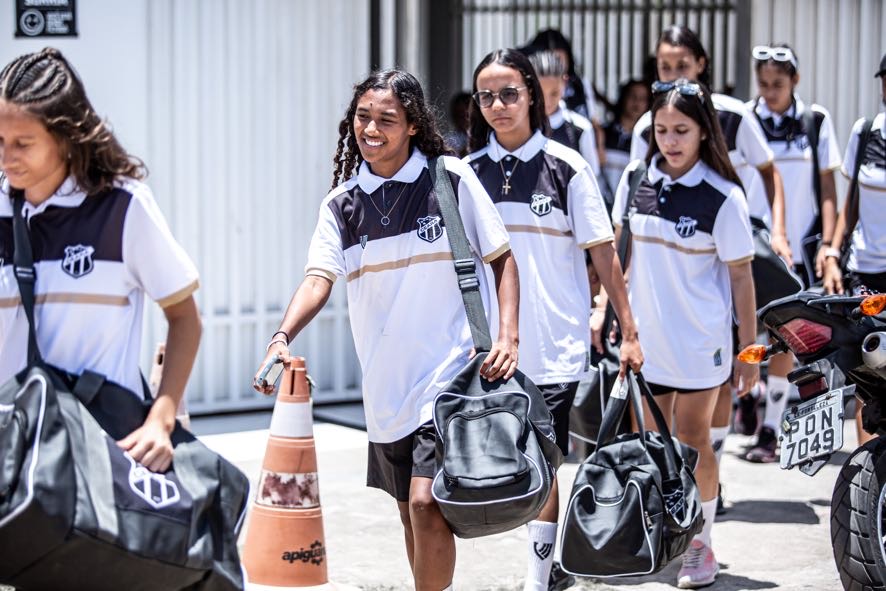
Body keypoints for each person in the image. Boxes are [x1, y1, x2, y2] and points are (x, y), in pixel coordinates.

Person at [253, 69, 519, 591]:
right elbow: (317, 279)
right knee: (408, 513)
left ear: (413, 126)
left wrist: (507, 337)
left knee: (427, 504)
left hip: (451, 374)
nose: (370, 130)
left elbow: (502, 258)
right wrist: (282, 335)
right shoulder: (341, 205)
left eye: (387, 120)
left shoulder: (450, 179)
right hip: (386, 388)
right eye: (363, 117)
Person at [465, 48, 643, 591]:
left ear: (533, 96)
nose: (498, 105)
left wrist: (627, 329)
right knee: (503, 464)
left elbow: (604, 254)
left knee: (544, 460)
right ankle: (548, 566)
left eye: (509, 93)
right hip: (487, 350)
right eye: (487, 96)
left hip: (556, 347)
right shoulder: (466, 175)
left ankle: (540, 575)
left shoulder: (568, 167)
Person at [0, 48, 201, 474]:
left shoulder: (122, 208)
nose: (7, 157)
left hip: (99, 458)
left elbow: (185, 318)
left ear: (65, 137)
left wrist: (160, 421)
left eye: (22, 143)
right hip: (9, 454)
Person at [606, 78, 757, 588]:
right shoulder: (636, 181)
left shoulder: (724, 197)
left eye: (682, 131)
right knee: (649, 443)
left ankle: (700, 544)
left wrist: (749, 351)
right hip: (645, 341)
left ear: (703, 133)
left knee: (693, 442)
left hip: (701, 343)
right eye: (662, 130)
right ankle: (657, 533)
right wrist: (610, 314)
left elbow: (741, 278)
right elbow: (620, 256)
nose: (670, 140)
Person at [629, 25, 788, 491]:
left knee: (697, 430)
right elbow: (624, 241)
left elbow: (769, 175)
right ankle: (671, 519)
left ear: (702, 64)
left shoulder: (734, 130)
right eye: (665, 67)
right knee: (657, 434)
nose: (670, 140)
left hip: (716, 285)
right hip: (656, 315)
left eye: (682, 131)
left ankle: (704, 523)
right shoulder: (642, 162)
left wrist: (777, 231)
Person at [741, 43, 842, 463]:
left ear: (794, 81)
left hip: (794, 249)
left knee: (784, 338)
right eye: (763, 84)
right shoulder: (747, 119)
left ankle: (771, 428)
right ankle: (749, 397)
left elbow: (829, 190)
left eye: (777, 85)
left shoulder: (814, 121)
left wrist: (831, 244)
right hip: (749, 247)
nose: (769, 92)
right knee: (747, 333)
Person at [823, 52, 886, 448]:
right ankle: (870, 466)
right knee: (871, 372)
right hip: (865, 270)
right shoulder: (866, 133)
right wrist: (831, 252)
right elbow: (850, 204)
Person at [527, 50, 601, 176]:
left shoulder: (580, 128)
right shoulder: (519, 124)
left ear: (565, 82)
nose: (547, 101)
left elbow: (591, 175)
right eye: (540, 94)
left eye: (554, 93)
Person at [602, 79, 651, 211]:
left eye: (642, 98)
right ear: (623, 98)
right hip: (602, 205)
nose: (637, 102)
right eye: (632, 96)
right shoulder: (602, 135)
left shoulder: (649, 142)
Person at [445, 91, 471, 157]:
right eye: (460, 116)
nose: (466, 119)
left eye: (468, 115)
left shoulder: (487, 136)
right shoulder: (450, 141)